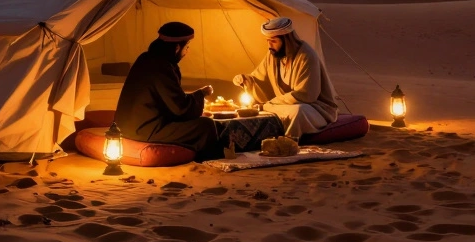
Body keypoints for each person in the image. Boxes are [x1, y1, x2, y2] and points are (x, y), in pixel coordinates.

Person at [114, 21, 222, 160]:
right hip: (144, 130)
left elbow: (169, 102)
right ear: (177, 47)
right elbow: (180, 108)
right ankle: (211, 161)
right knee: (206, 126)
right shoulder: (162, 67)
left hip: (128, 127)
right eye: (187, 47)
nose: (187, 52)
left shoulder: (145, 58)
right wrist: (202, 94)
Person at [232, 17, 339, 139]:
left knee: (298, 111)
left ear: (287, 39)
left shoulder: (306, 56)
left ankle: (288, 141)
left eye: (273, 41)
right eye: (267, 41)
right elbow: (259, 79)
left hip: (316, 109)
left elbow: (307, 95)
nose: (269, 45)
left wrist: (269, 104)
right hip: (283, 106)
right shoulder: (273, 55)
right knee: (272, 110)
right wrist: (245, 80)